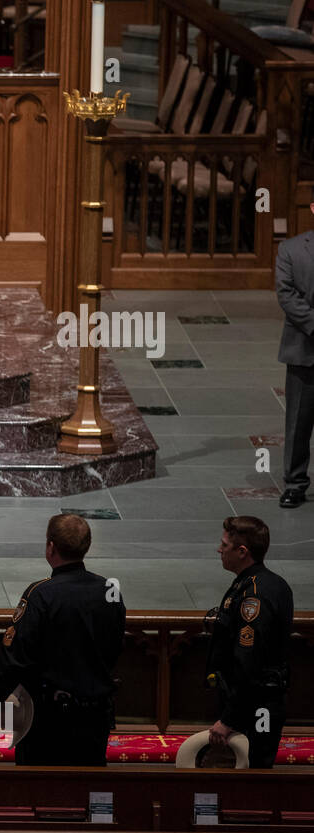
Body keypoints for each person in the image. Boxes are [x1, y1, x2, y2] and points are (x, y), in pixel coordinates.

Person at [0, 514, 125, 766]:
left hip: (47, 719)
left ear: (51, 547)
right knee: (86, 792)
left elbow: (16, 657)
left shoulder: (40, 595)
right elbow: (115, 647)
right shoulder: (110, 591)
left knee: (41, 793)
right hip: (95, 714)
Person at [205, 516, 293, 769]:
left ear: (242, 551)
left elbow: (248, 662)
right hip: (257, 702)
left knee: (249, 778)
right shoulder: (270, 583)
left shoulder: (253, 595)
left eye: (224, 545)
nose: (219, 549)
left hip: (253, 707)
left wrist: (228, 719)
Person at [276, 214, 314, 508]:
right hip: (305, 346)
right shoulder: (291, 249)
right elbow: (287, 295)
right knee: (298, 421)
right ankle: (295, 483)